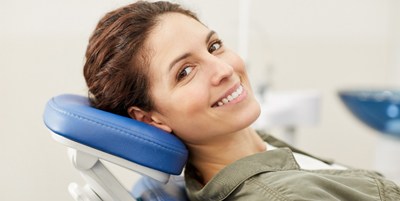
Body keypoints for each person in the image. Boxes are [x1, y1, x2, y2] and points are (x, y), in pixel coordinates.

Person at [83, 1, 400, 200]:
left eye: (214, 46)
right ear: (151, 118)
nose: (224, 69)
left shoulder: (260, 149)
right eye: (186, 71)